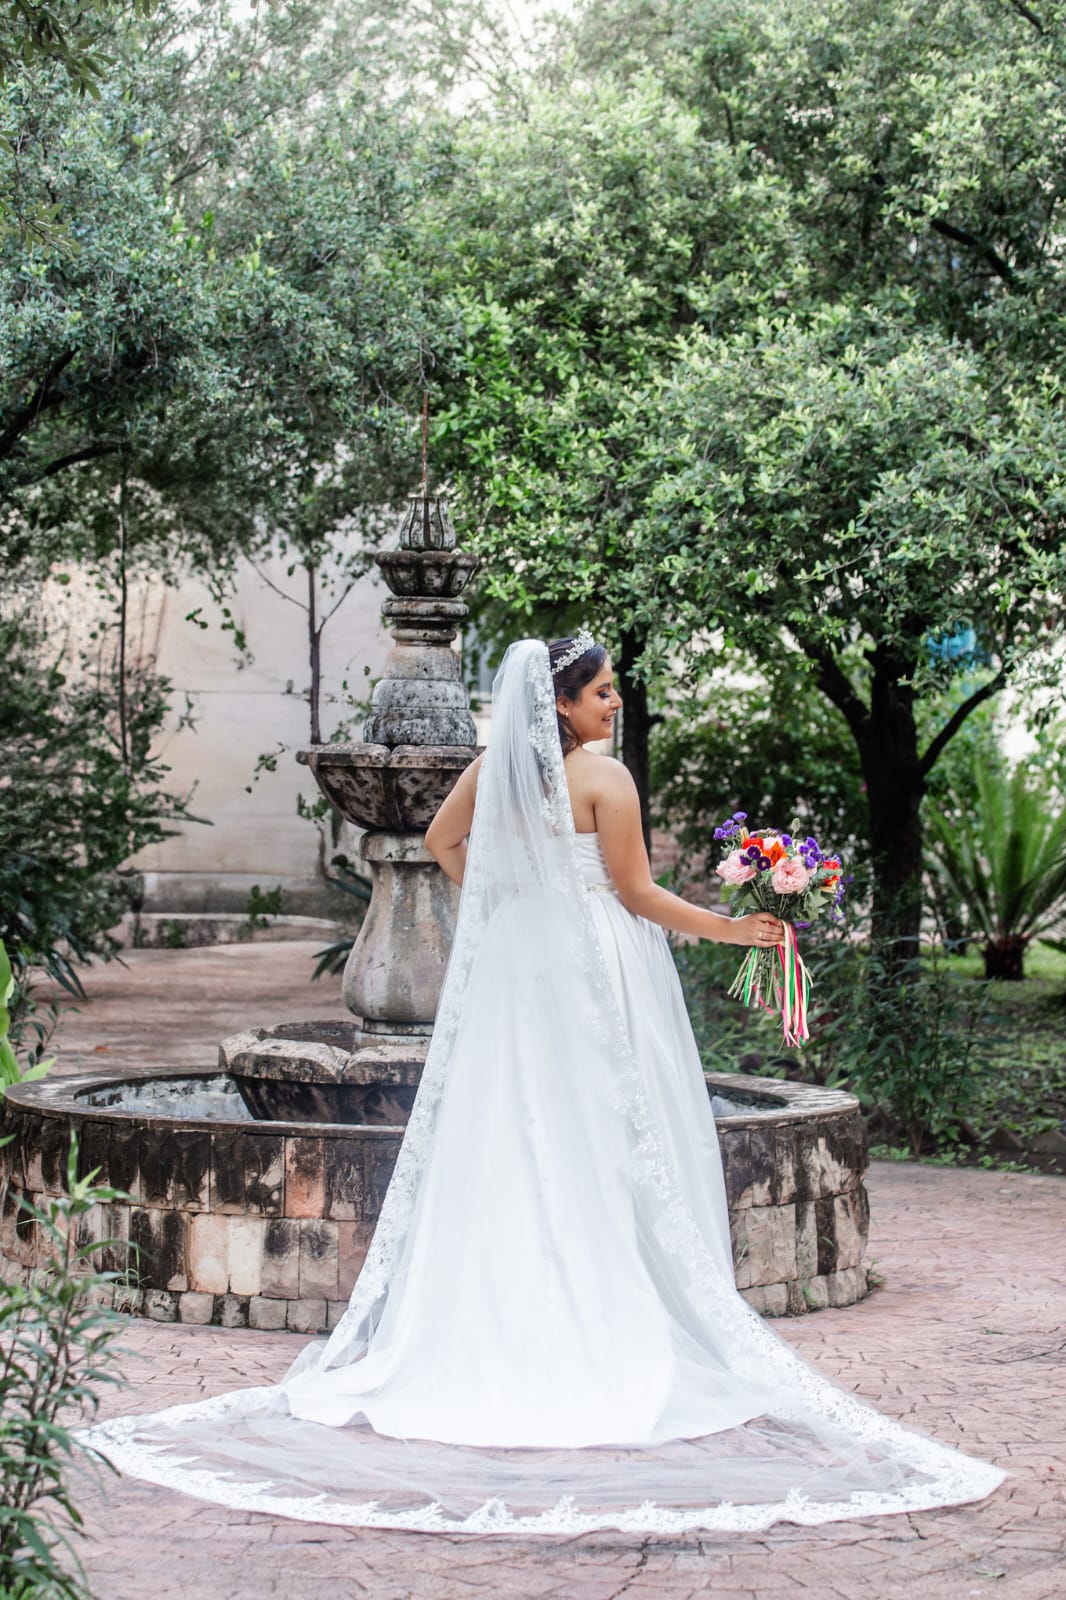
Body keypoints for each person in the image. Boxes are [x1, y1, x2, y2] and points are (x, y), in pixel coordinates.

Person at [83, 635, 1004, 1533]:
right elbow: (639, 896)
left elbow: (445, 842)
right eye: (602, 693)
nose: (614, 703)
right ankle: (605, 1314)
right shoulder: (608, 780)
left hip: (520, 966)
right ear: (561, 703)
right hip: (598, 966)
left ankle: (507, 1314)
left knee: (512, 1126)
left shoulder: (496, 771)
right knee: (604, 1130)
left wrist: (515, 897)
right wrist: (738, 929)